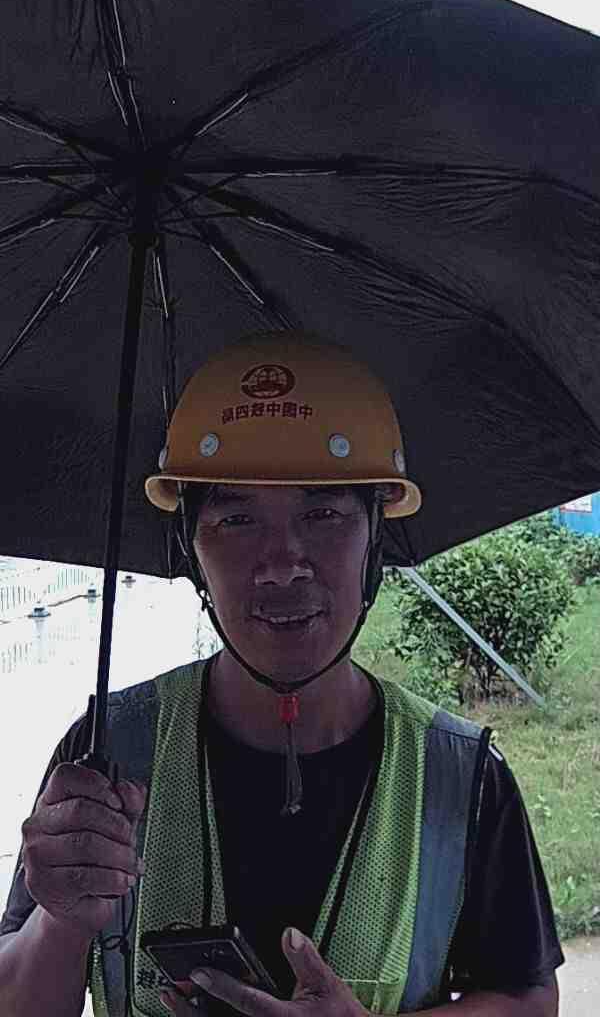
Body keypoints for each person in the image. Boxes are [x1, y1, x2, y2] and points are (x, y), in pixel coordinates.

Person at [0, 332, 563, 1017]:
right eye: (236, 519)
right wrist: (60, 920)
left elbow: (527, 996)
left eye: (323, 514)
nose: (282, 564)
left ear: (375, 539)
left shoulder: (459, 775)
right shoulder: (106, 755)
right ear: (191, 547)